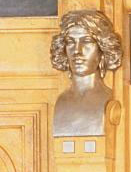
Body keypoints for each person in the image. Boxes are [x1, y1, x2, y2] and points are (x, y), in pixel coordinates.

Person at [49, 7, 123, 138]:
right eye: (70, 42)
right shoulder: (61, 101)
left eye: (86, 41)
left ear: (102, 48)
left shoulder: (109, 98)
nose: (77, 51)